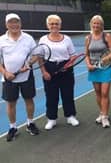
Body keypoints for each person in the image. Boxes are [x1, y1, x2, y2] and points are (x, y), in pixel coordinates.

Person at [0, 13, 39, 142]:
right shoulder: (1, 40)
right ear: (6, 25)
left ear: (20, 23)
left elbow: (36, 55)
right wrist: (5, 73)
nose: (14, 25)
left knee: (29, 100)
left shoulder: (28, 38)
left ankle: (30, 123)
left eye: (16, 22)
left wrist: (28, 65)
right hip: (8, 79)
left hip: (27, 76)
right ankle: (13, 127)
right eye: (11, 22)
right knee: (11, 103)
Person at [39, 14, 79, 130]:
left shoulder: (67, 39)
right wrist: (44, 72)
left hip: (66, 68)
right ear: (48, 25)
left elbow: (73, 56)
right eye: (51, 23)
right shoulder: (43, 39)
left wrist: (68, 65)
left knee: (68, 94)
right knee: (51, 95)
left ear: (60, 25)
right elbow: (40, 57)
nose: (54, 26)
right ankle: (52, 119)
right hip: (49, 68)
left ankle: (70, 116)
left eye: (56, 23)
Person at [85, 15, 111, 128]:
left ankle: (105, 117)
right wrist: (88, 64)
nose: (96, 25)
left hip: (106, 68)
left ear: (101, 25)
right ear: (91, 24)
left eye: (98, 23)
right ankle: (102, 113)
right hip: (93, 69)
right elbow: (86, 54)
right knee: (98, 92)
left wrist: (105, 59)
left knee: (104, 93)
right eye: (94, 23)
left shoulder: (106, 36)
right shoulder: (88, 38)